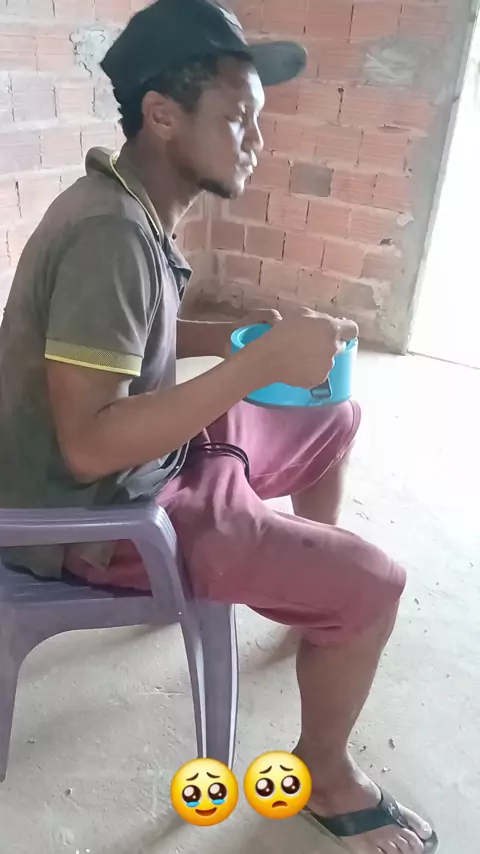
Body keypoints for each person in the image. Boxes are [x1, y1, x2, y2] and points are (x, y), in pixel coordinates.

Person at [0, 1, 437, 851]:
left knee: (332, 413)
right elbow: (88, 444)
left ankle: (314, 603)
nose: (256, 141)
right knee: (375, 583)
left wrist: (238, 338)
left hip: (153, 461)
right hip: (102, 517)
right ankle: (326, 775)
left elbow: (136, 337)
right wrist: (258, 363)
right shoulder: (107, 235)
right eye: (238, 118)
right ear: (163, 115)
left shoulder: (131, 205)